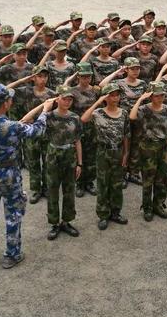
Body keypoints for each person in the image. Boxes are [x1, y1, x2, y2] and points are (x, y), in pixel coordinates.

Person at [0, 84, 53, 270]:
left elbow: (9, 125)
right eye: (9, 99)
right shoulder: (13, 127)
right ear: (6, 104)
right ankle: (12, 255)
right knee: (13, 215)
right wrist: (45, 110)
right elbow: (37, 131)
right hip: (9, 174)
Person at [81, 83, 130, 231]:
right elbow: (83, 119)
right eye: (112, 95)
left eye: (117, 95)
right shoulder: (98, 113)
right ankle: (103, 214)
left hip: (118, 151)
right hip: (103, 152)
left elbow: (126, 135)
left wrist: (126, 153)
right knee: (103, 184)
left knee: (116, 184)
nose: (115, 98)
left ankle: (115, 212)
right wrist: (97, 102)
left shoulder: (124, 113)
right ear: (105, 97)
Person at [8, 65, 55, 203]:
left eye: (45, 76)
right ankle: (36, 189)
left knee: (47, 162)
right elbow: (6, 90)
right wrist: (24, 79)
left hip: (47, 133)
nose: (43, 79)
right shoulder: (25, 91)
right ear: (33, 77)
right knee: (33, 162)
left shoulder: (51, 94)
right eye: (39, 76)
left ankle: (46, 187)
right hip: (30, 133)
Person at [100, 57, 147, 185]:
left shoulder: (142, 83)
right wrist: (116, 73)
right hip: (122, 119)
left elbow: (146, 102)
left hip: (138, 119)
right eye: (132, 68)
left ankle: (134, 173)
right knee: (123, 147)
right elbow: (102, 85)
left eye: (137, 68)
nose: (135, 71)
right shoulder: (119, 83)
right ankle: (122, 173)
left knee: (136, 146)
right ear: (126, 69)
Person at [130, 82, 167, 221]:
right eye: (156, 95)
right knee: (148, 179)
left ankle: (158, 205)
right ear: (151, 96)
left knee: (162, 179)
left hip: (163, 148)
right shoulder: (144, 109)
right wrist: (140, 99)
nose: (160, 98)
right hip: (148, 148)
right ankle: (147, 207)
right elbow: (132, 117)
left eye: (162, 95)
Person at [45, 85, 82, 241]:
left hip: (69, 155)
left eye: (70, 99)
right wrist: (45, 106)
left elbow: (78, 141)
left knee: (69, 190)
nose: (67, 102)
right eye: (64, 98)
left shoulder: (75, 118)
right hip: (53, 154)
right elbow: (27, 120)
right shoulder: (48, 116)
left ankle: (66, 221)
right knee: (53, 190)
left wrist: (80, 163)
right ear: (57, 98)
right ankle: (54, 223)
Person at [66, 62, 100, 197]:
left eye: (89, 76)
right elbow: (62, 89)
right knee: (77, 156)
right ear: (78, 77)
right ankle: (79, 183)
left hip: (92, 127)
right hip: (77, 127)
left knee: (91, 156)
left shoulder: (96, 91)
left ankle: (90, 182)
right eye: (83, 76)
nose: (86, 79)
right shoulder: (72, 91)